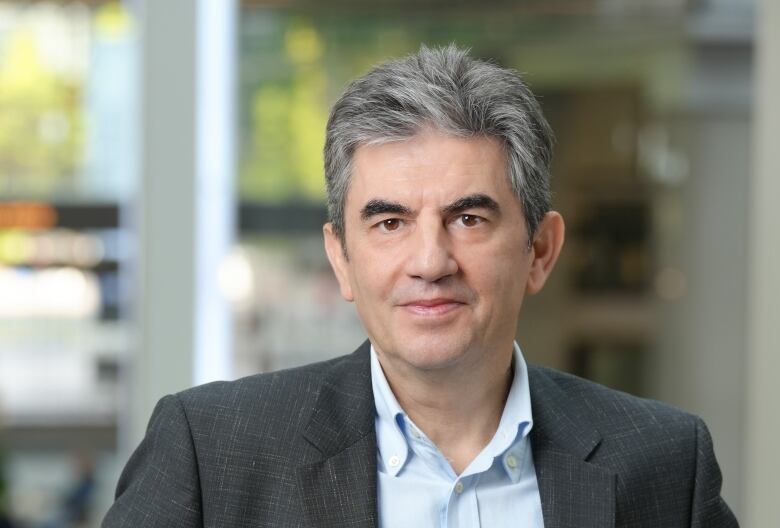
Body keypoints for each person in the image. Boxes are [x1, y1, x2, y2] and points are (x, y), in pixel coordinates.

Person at [103, 45, 738, 527]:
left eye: (468, 218)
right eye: (389, 222)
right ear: (342, 259)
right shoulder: (212, 454)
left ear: (539, 251)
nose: (430, 261)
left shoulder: (664, 464)